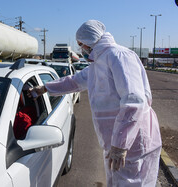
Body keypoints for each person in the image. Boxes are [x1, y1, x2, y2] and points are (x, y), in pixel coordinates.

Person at [29, 20, 162, 186]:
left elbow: (134, 101)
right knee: (117, 182)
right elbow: (74, 82)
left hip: (133, 144)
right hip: (115, 144)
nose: (81, 49)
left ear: (90, 41)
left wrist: (121, 145)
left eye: (81, 44)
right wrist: (45, 88)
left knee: (132, 183)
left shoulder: (119, 56)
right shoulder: (97, 64)